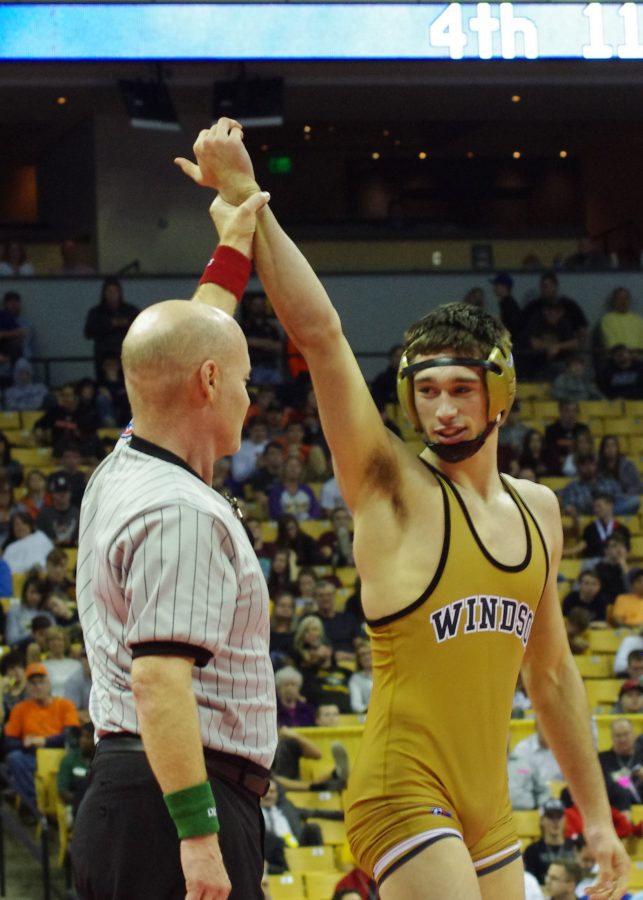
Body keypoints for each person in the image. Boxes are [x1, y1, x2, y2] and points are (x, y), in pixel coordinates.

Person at [178, 119, 629, 898]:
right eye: (426, 392)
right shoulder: (387, 482)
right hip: (399, 788)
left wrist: (594, 814)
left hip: (486, 808)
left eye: (459, 389)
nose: (443, 410)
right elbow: (320, 337)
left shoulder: (539, 512)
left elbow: (551, 675)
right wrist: (250, 199)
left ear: (499, 394)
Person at [71, 186, 278, 900]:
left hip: (139, 795)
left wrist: (233, 243)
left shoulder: (122, 463)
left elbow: (188, 341)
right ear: (212, 382)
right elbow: (160, 680)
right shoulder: (181, 511)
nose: (251, 398)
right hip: (176, 805)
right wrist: (198, 838)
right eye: (245, 381)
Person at [4, 662, 79, 809]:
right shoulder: (20, 709)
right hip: (33, 758)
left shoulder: (65, 705)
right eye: (33, 683)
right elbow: (8, 742)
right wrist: (25, 742)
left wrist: (44, 741)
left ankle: (69, 807)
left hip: (61, 757)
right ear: (27, 687)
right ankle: (35, 807)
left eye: (41, 682)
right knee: (14, 758)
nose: (38, 687)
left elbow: (72, 736)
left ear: (49, 683)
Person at [523, 799, 577, 885]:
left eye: (559, 816)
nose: (555, 822)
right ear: (541, 820)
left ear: (565, 819)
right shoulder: (532, 851)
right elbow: (530, 882)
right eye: (550, 817)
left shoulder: (575, 846)